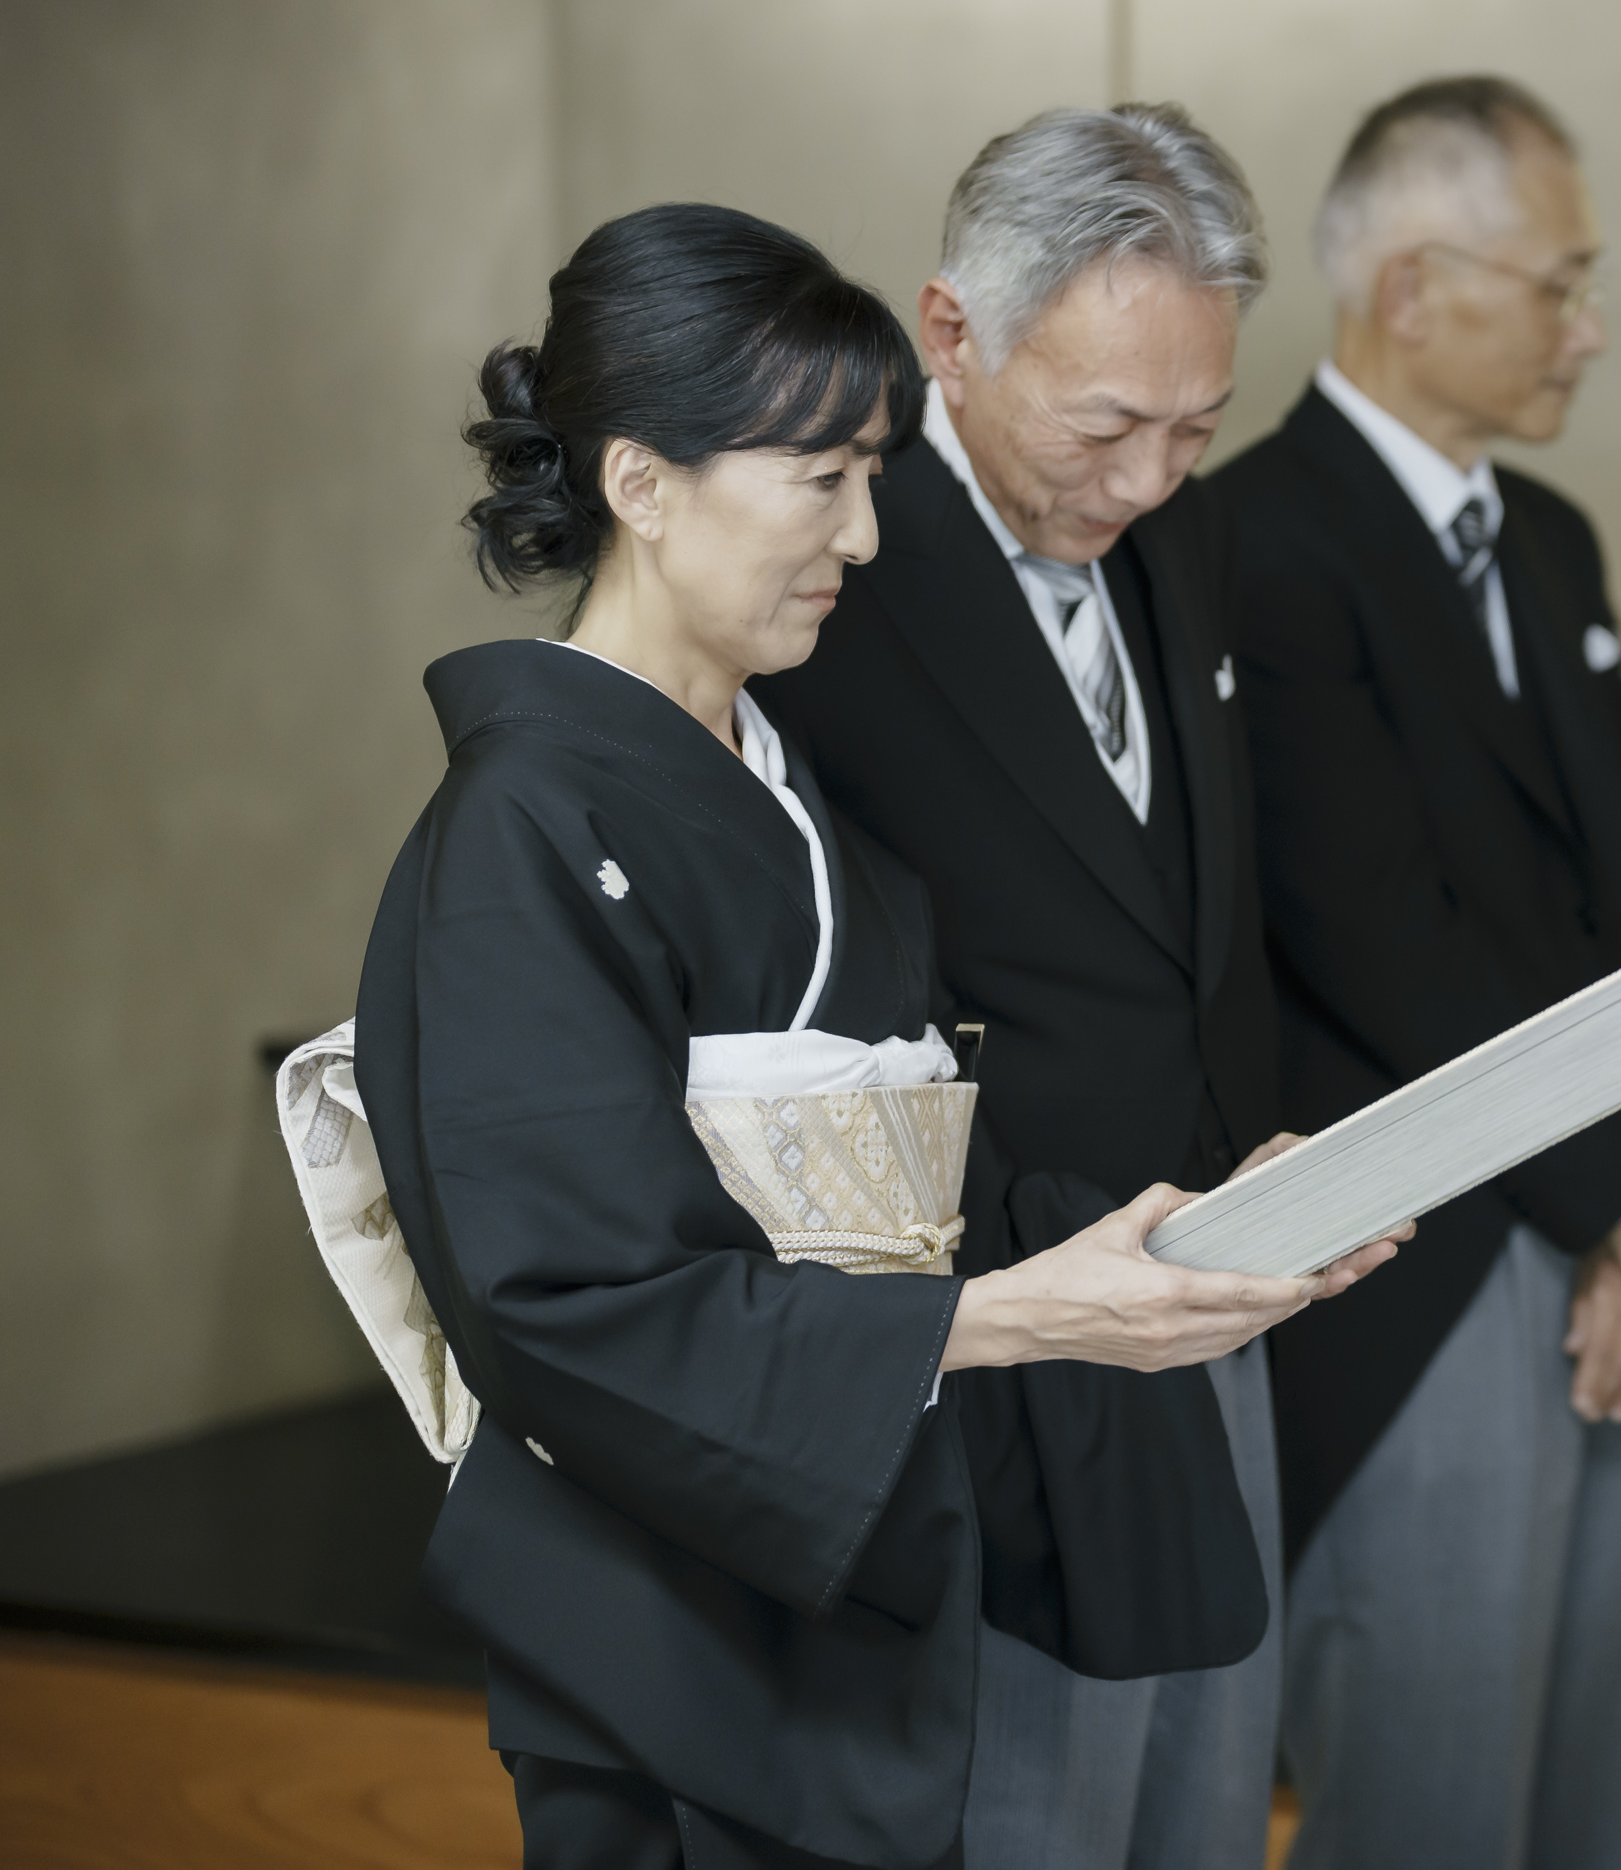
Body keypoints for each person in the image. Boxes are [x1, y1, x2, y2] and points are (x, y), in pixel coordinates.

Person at [354, 203, 1391, 1870]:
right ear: (641, 481)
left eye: (873, 475)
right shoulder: (523, 829)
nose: (868, 533)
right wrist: (989, 1318)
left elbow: (898, 1202)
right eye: (820, 479)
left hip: (848, 1551)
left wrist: (1184, 1244)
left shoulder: (773, 778)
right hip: (672, 1619)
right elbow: (575, 1306)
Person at [749, 105, 1310, 1867]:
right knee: (1031, 1818)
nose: (1146, 479)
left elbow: (1200, 925)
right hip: (993, 1319)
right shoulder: (826, 580)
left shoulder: (1182, 541)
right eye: (1107, 424)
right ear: (948, 338)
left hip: (1216, 1265)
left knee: (1207, 1807)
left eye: (1198, 426)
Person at [1215, 76, 1621, 1870]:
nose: (1589, 332)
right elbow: (1377, 934)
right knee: (1431, 1810)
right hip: (1422, 1268)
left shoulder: (1553, 544)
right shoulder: (1250, 543)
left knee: (1600, 1800)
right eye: (1561, 284)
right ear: (1412, 283)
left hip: (1618, 1251)